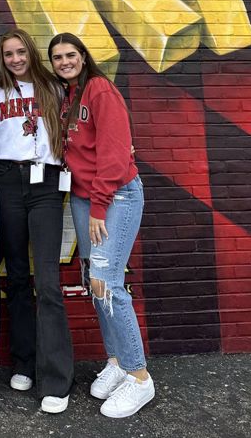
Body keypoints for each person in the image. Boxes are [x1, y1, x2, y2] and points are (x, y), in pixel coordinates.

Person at [49, 32, 155, 418]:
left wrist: (99, 206)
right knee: (95, 285)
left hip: (115, 196)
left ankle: (139, 377)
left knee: (108, 284)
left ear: (83, 56)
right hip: (84, 196)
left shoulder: (99, 90)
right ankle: (117, 362)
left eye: (70, 54)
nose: (64, 61)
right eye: (57, 57)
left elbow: (113, 152)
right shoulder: (70, 95)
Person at [0, 29, 74, 414]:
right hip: (7, 179)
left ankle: (56, 378)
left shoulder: (54, 88)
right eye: (8, 54)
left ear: (31, 52)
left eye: (21, 51)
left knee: (48, 281)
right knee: (17, 277)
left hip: (47, 184)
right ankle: (24, 362)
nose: (15, 59)